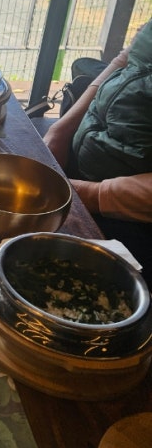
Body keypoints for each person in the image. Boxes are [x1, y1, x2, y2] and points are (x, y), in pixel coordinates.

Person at [43, 18, 152, 284]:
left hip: (127, 218)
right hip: (80, 167)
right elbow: (125, 61)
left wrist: (90, 195)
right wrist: (61, 131)